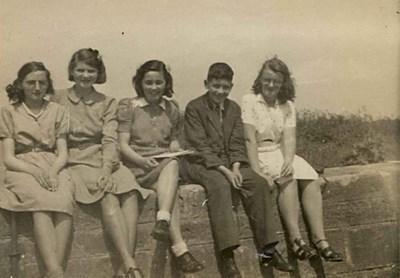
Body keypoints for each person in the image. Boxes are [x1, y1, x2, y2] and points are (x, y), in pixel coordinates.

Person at [180, 62, 294, 278]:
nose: (220, 91)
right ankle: (227, 256)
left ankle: (268, 250)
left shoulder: (233, 108)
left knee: (258, 182)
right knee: (220, 184)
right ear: (207, 84)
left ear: (231, 87)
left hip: (228, 163)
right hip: (200, 164)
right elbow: (201, 146)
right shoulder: (195, 108)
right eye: (215, 86)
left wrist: (236, 166)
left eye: (225, 87)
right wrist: (226, 171)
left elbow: (236, 142)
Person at [52, 48, 150, 278]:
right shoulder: (58, 98)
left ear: (98, 73)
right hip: (75, 159)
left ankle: (121, 270)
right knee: (106, 194)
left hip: (104, 158)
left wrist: (107, 168)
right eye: (80, 70)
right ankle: (130, 264)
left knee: (130, 190)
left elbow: (109, 139)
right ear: (72, 72)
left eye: (91, 71)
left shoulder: (107, 102)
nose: (85, 75)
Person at [241, 57, 343, 263]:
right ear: (260, 79)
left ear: (283, 83)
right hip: (260, 152)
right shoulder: (249, 100)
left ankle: (320, 240)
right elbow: (249, 139)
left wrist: (288, 159)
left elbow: (289, 137)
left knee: (311, 178)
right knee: (287, 179)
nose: (271, 85)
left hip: (280, 151)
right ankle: (297, 241)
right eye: (267, 80)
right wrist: (256, 171)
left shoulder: (287, 106)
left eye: (276, 82)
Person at [117, 60, 204, 274]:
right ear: (140, 83)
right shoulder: (129, 106)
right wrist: (140, 161)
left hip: (162, 165)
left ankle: (163, 222)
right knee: (171, 189)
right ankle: (179, 247)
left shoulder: (172, 108)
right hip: (136, 166)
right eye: (149, 82)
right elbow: (122, 145)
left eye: (159, 82)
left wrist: (175, 146)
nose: (154, 87)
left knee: (173, 163)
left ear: (166, 83)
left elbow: (173, 140)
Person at [0, 62, 74, 278]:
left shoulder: (59, 111)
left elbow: (63, 153)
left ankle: (53, 272)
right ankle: (57, 273)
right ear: (21, 84)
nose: (37, 87)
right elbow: (8, 158)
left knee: (64, 202)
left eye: (42, 82)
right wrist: (34, 172)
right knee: (41, 204)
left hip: (53, 163)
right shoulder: (9, 112)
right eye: (31, 82)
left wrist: (53, 171)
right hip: (21, 166)